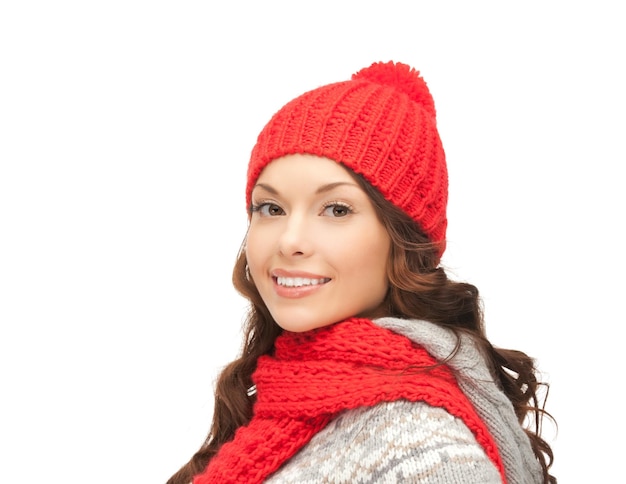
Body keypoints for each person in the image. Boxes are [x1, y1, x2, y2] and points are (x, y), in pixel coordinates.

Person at [167, 60, 556, 484]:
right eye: (271, 208)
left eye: (336, 209)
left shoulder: (421, 446)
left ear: (403, 238)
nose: (289, 240)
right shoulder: (284, 397)